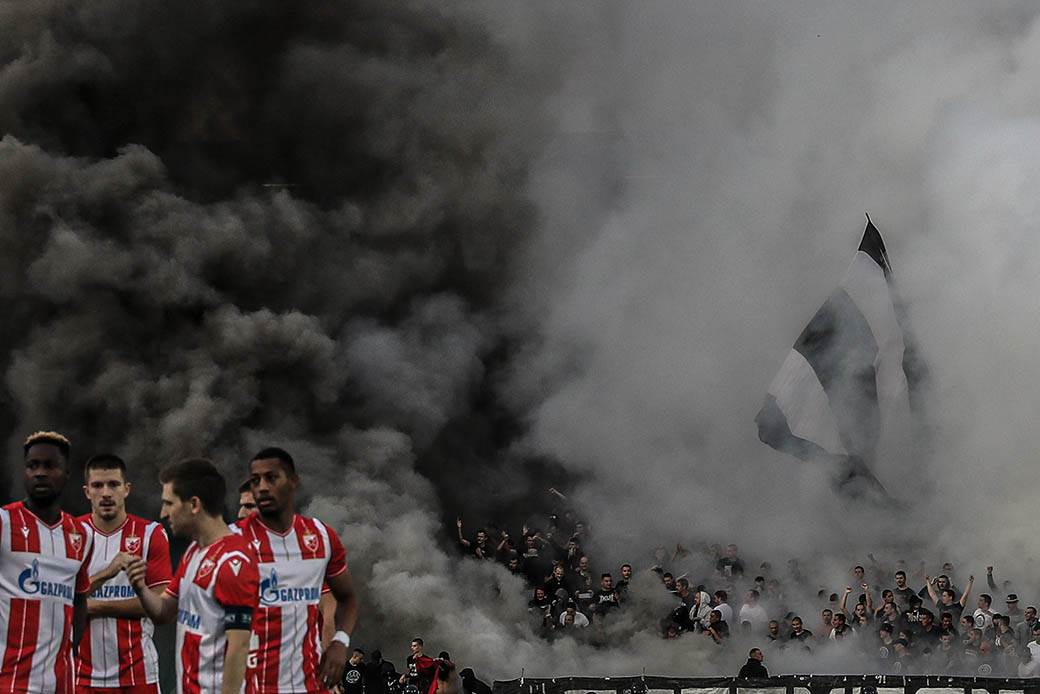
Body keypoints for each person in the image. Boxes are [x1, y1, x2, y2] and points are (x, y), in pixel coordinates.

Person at [126, 458, 258, 694]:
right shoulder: (193, 552)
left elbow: (239, 647)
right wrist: (140, 587)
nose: (163, 513)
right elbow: (163, 611)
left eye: (169, 503)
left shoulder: (233, 562)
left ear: (194, 504)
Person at [236, 447, 359, 692]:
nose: (242, 513)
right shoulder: (232, 545)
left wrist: (335, 647)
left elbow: (336, 605)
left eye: (249, 507)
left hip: (304, 680)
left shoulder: (316, 540)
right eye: (242, 505)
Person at [0, 431, 94, 694]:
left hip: (60, 684)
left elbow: (79, 598)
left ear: (67, 474)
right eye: (33, 466)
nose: (40, 473)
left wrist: (71, 648)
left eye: (50, 466)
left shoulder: (81, 536)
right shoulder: (4, 523)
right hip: (9, 683)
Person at [77, 453, 173, 694]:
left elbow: (161, 603)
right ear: (87, 491)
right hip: (81, 675)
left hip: (138, 673)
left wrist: (94, 606)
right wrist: (107, 573)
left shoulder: (151, 534)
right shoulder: (71, 534)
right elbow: (60, 601)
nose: (106, 493)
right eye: (98, 485)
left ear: (126, 489)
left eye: (113, 484)